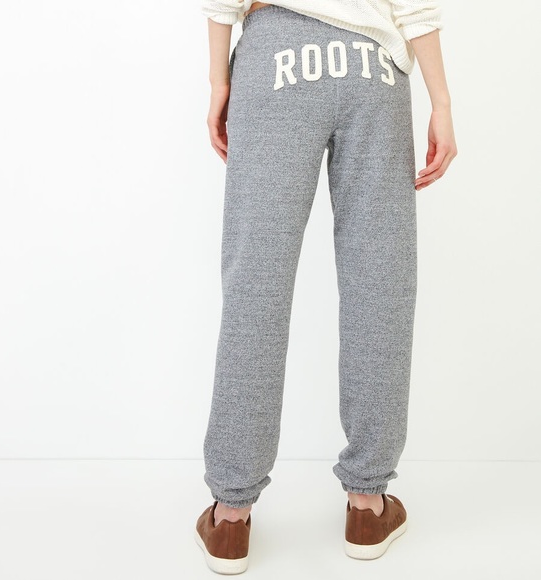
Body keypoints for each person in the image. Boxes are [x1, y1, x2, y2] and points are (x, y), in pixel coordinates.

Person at [194, 0, 457, 574]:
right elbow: (414, 6)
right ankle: (368, 503)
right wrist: (440, 102)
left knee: (256, 282)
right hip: (374, 70)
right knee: (380, 281)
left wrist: (220, 83)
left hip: (275, 60)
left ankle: (231, 514)